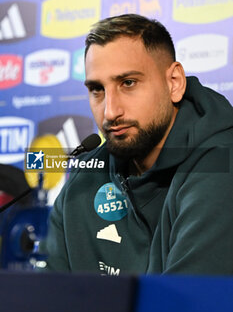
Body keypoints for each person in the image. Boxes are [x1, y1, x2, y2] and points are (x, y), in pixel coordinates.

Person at [39, 14, 233, 275]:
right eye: (97, 89)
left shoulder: (220, 164)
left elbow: (186, 309)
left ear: (174, 83)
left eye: (128, 83)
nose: (110, 112)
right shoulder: (84, 179)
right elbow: (48, 303)